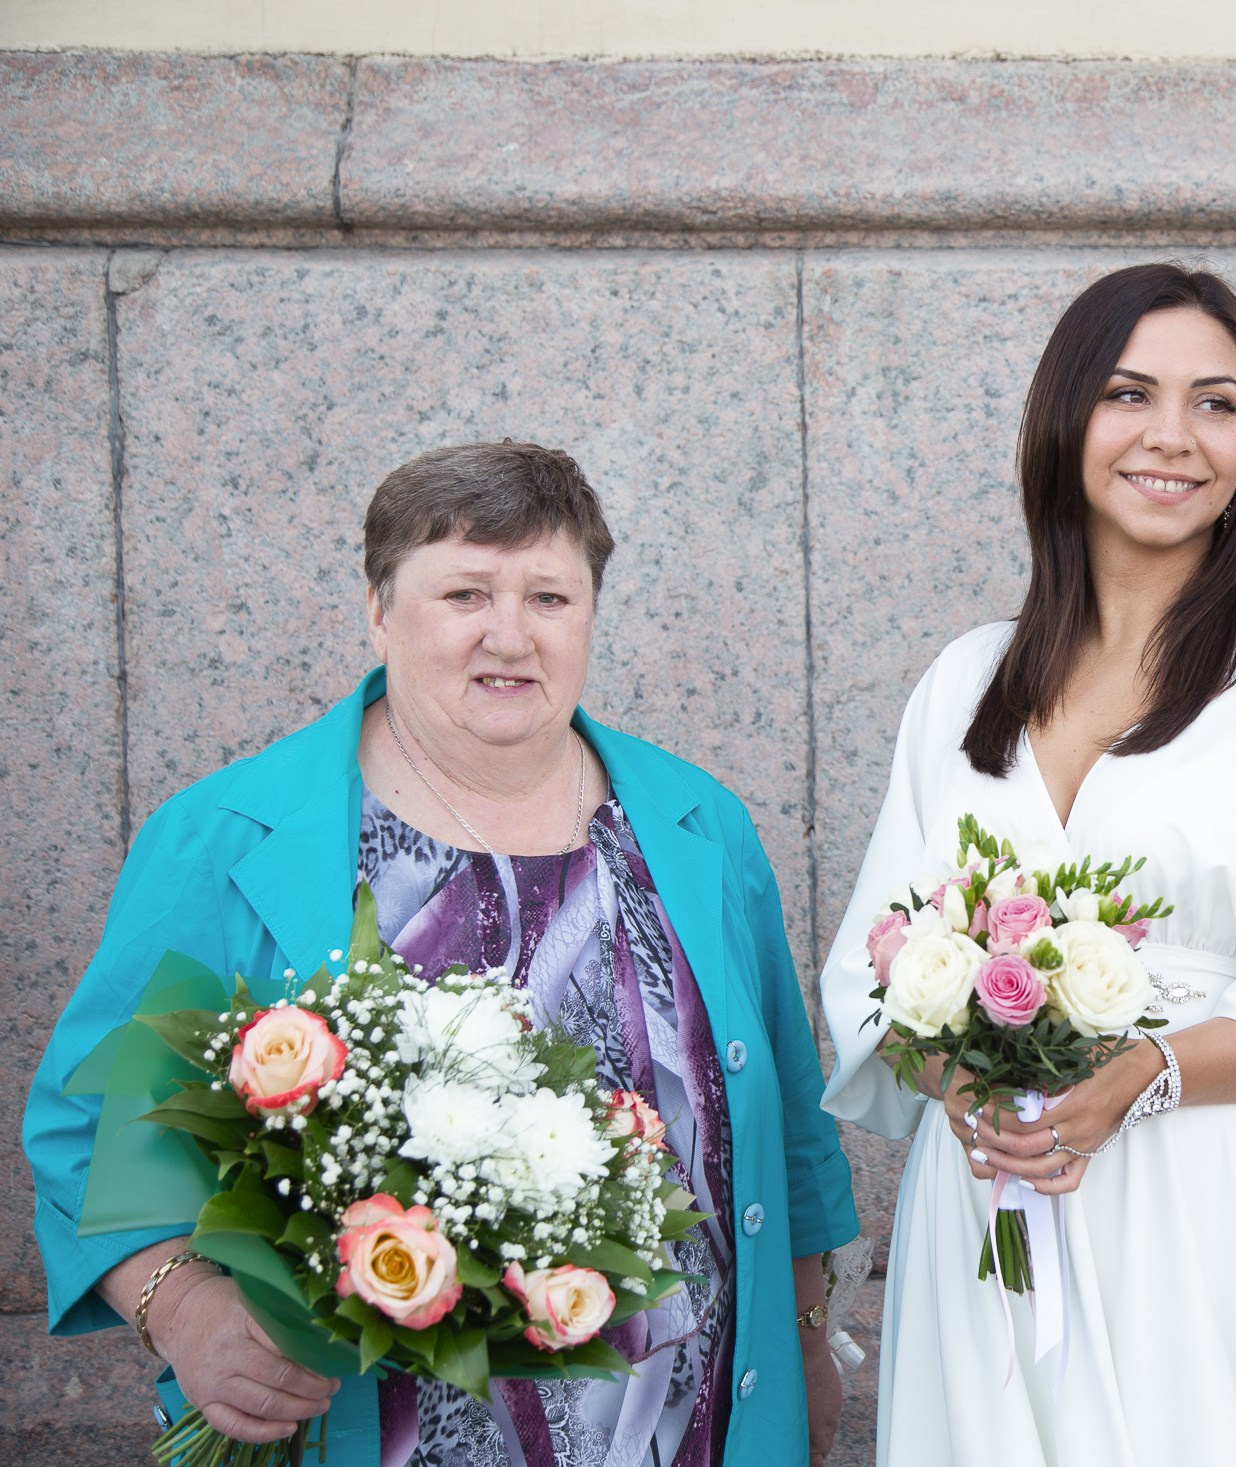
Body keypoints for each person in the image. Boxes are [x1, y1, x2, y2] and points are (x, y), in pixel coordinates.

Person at [24, 442, 860, 1467]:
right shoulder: (229, 838)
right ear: (378, 609)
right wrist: (185, 1309)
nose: (508, 634)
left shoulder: (699, 828)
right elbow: (87, 1127)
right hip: (369, 1432)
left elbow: (787, 1132)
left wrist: (811, 1339)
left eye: (549, 597)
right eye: (464, 591)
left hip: (687, 1428)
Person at [818, 263, 1236, 1465]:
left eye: (1217, 404)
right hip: (994, 1200)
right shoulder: (965, 680)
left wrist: (1139, 1076)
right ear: (1066, 421)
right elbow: (876, 971)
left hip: (1211, 1196)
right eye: (1130, 394)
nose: (1175, 437)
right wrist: (965, 1092)